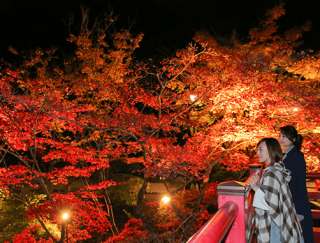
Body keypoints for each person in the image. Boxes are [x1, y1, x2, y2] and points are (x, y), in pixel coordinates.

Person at [250, 137, 303, 243]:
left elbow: (271, 205)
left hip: (277, 226)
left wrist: (255, 188)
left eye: (261, 149)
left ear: (271, 150)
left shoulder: (271, 173)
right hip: (284, 221)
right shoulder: (277, 168)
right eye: (257, 149)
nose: (257, 152)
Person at [279, 125, 314, 243]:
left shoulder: (297, 156)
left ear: (293, 139)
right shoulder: (286, 155)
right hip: (291, 200)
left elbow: (298, 185)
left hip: (297, 202)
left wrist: (298, 210)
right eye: (280, 136)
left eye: (284, 136)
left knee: (299, 236)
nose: (281, 139)